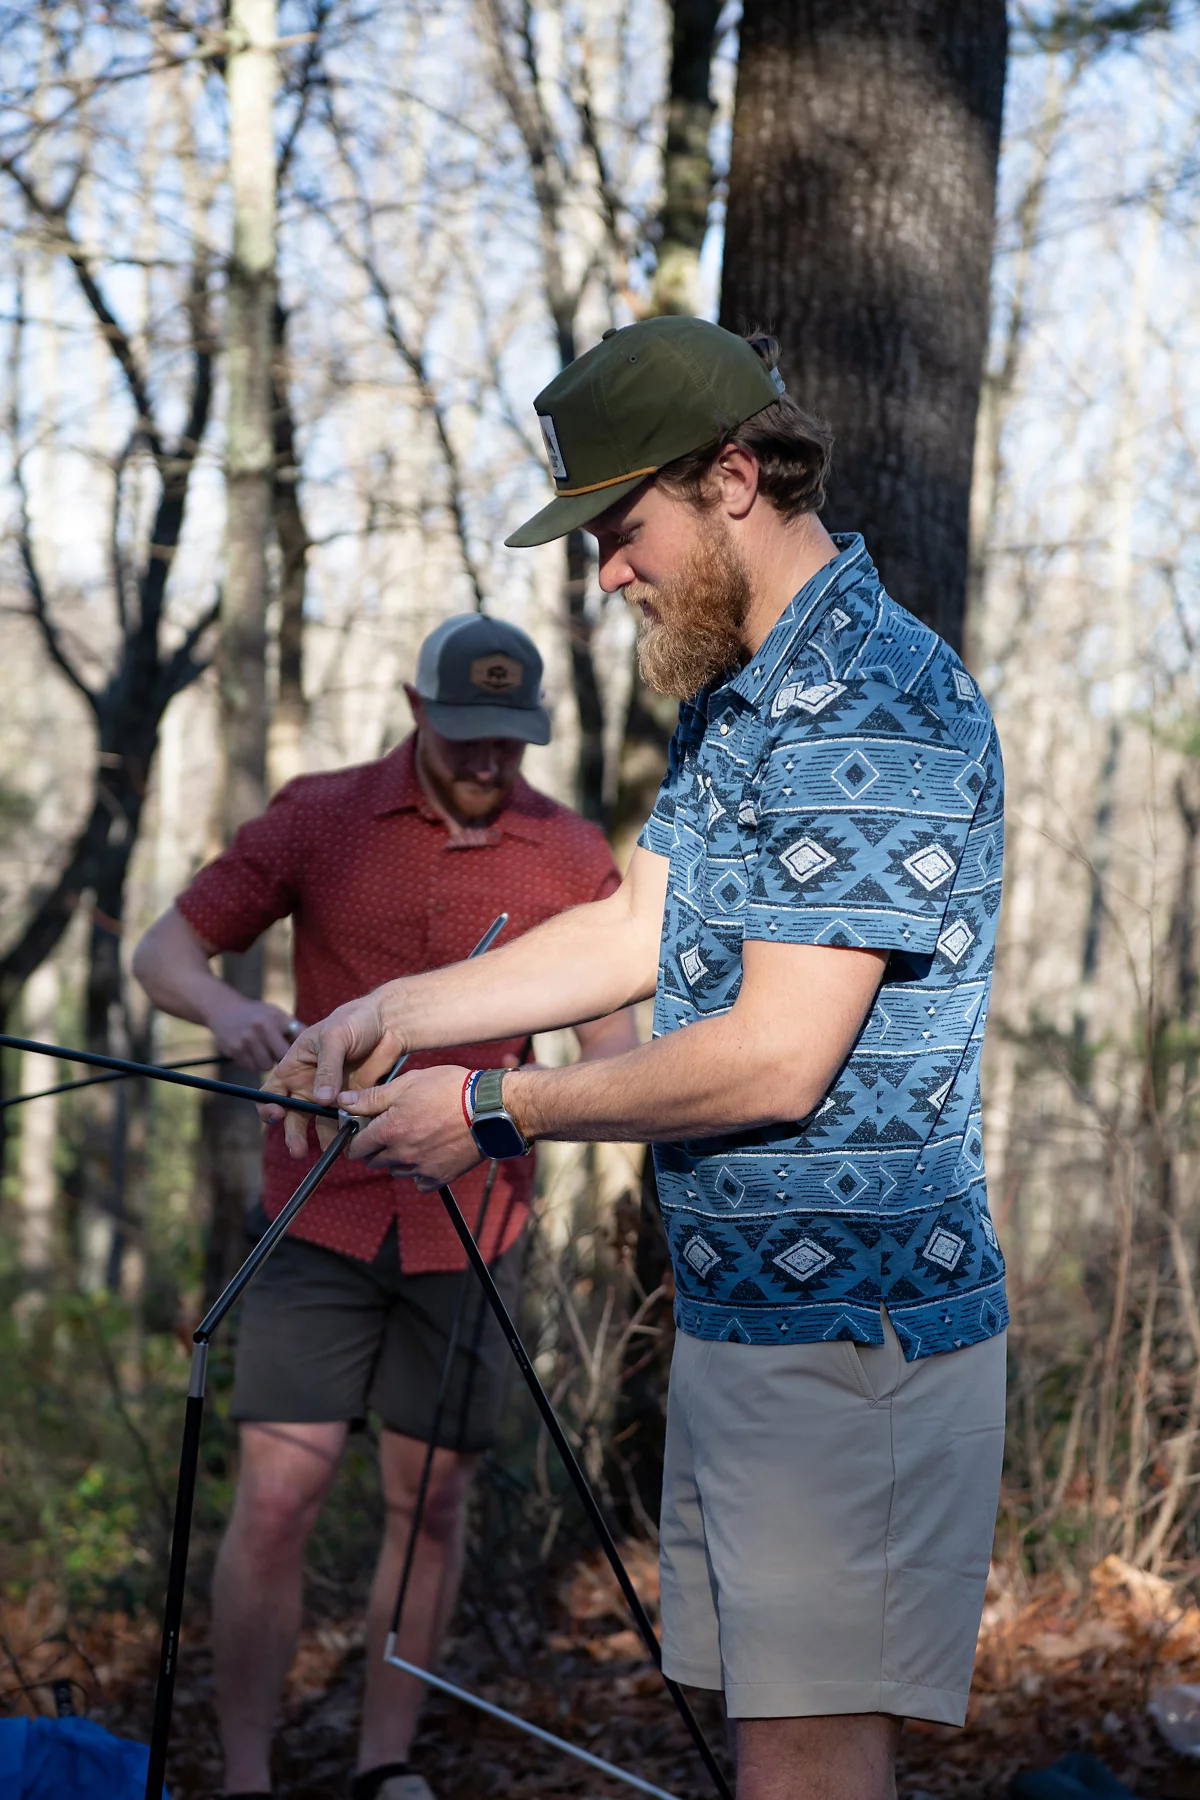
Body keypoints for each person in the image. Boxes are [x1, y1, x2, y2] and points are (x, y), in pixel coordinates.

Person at [263, 318, 1008, 1800]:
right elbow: (634, 928)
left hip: (851, 1332)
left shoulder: (871, 697)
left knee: (807, 1762)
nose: (607, 571)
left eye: (622, 528)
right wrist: (400, 1009)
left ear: (733, 477)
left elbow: (778, 1061)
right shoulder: (743, 690)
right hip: (748, 1320)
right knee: (765, 1749)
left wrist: (492, 1106)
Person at [133, 614, 637, 1800]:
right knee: (278, 1494)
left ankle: (383, 1764)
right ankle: (247, 1772)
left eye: (510, 744)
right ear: (417, 713)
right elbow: (163, 953)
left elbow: (614, 1044)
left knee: (432, 1496)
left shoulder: (569, 857)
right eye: (466, 738)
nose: (488, 765)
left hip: (474, 1225)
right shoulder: (323, 815)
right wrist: (228, 1013)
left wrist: (600, 1100)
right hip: (316, 1210)